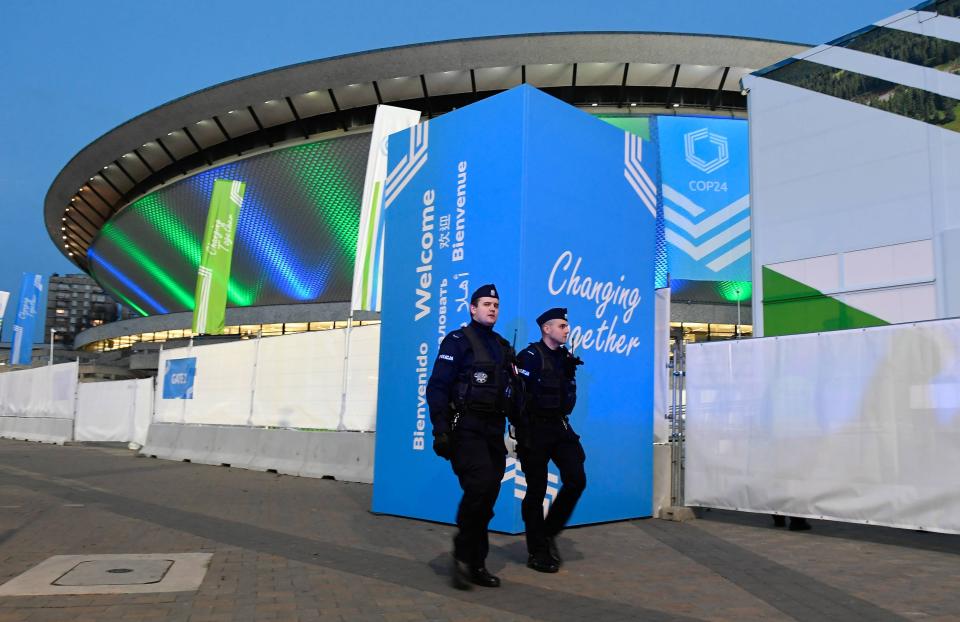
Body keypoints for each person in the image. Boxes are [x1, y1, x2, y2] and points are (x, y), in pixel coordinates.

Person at [426, 284, 521, 589]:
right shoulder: (457, 341)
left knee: (488, 495)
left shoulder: (503, 346)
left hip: (493, 431)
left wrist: (521, 429)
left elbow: (514, 393)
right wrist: (440, 429)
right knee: (480, 485)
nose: (492, 308)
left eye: (496, 304)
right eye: (486, 304)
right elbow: (437, 387)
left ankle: (475, 563)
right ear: (472, 308)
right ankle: (464, 554)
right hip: (465, 428)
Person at [515, 307, 586, 573]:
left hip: (559, 426)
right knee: (536, 490)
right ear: (547, 329)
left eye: (566, 326)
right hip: (534, 429)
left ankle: (547, 532)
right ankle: (537, 550)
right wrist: (521, 432)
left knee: (577, 479)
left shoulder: (566, 358)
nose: (566, 330)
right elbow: (518, 398)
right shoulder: (530, 357)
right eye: (561, 326)